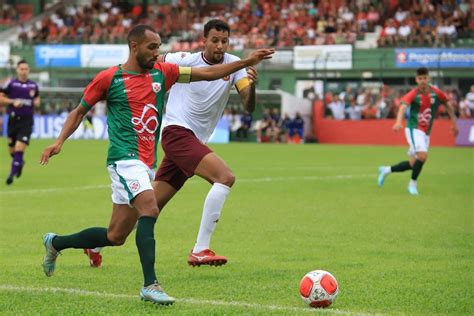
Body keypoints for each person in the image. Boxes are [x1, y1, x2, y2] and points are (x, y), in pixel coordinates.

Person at [39, 24, 273, 305]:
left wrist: (246, 62)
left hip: (146, 162)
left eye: (160, 47)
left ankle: (55, 242)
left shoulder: (165, 73)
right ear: (134, 47)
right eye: (152, 48)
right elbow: (79, 111)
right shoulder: (109, 78)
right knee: (151, 207)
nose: (158, 53)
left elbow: (209, 73)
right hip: (124, 159)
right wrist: (59, 142)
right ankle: (151, 285)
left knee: (116, 235)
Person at [377, 67, 458, 195]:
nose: (422, 81)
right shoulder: (413, 93)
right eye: (420, 78)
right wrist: (398, 122)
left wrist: (454, 123)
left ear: (428, 78)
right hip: (414, 129)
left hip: (426, 132)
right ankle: (412, 185)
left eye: (425, 78)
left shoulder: (436, 93)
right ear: (416, 79)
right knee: (423, 156)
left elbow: (448, 106)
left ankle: (386, 170)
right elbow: (403, 107)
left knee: (413, 163)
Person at [0, 60, 40, 185]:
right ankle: (19, 163)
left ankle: (11, 175)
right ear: (17, 70)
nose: (24, 71)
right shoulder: (10, 84)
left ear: (28, 71)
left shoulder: (33, 85)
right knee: (12, 151)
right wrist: (12, 102)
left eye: (26, 69)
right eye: (21, 69)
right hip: (12, 120)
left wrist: (37, 102)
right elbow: (1, 99)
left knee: (19, 147)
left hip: (26, 121)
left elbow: (37, 97)